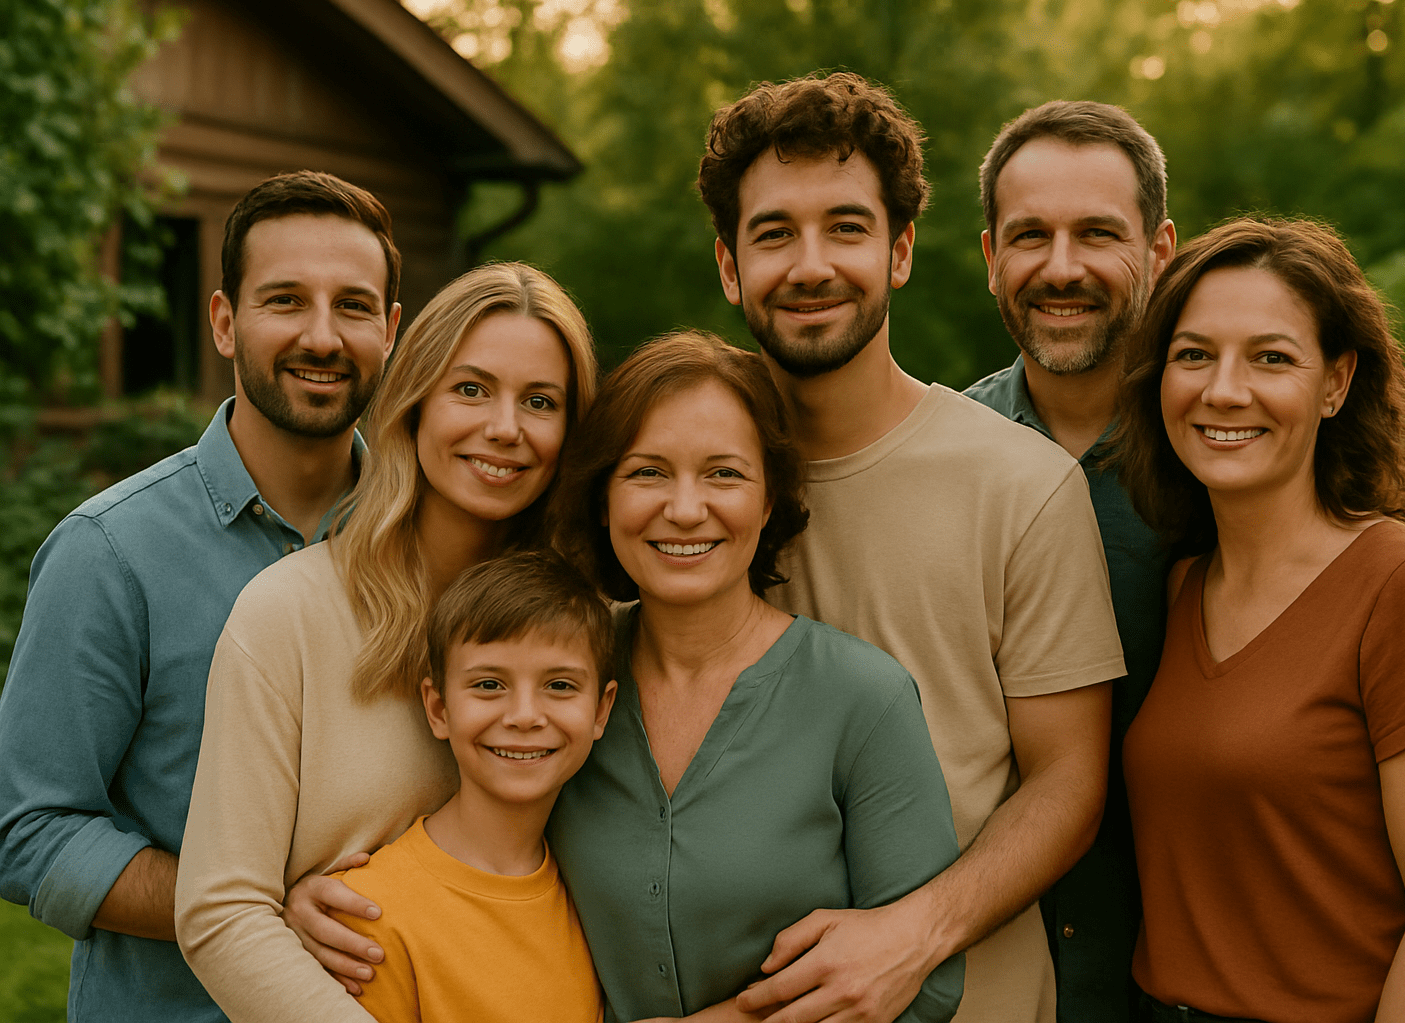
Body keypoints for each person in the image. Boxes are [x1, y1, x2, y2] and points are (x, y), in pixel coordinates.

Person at [698, 73, 1125, 1023]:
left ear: (899, 252)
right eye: (774, 234)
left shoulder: (1021, 483)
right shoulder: (678, 497)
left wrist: (914, 933)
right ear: (729, 266)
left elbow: (1067, 783)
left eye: (846, 228)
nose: (811, 265)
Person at [0, 170, 401, 1022]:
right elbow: (29, 829)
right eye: (285, 300)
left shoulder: (423, 546)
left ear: (391, 330)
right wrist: (253, 911)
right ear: (224, 321)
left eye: (353, 306)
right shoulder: (109, 552)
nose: (322, 336)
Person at [174, 260, 599, 1023]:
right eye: (471, 389)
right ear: (416, 403)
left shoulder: (592, 629)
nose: (505, 427)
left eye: (541, 401)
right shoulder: (288, 615)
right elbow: (222, 912)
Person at [1113, 217, 1405, 1023]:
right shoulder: (1182, 584)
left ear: (1335, 383)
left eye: (1271, 357)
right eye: (1194, 355)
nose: (1224, 390)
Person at [547, 330, 964, 1022]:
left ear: (770, 500)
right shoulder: (558, 680)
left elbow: (927, 986)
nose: (685, 509)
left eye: (724, 474)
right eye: (647, 472)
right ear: (603, 498)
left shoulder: (864, 699)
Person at [962, 101, 1175, 1023]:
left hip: (1192, 977)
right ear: (990, 257)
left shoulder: (1226, 455)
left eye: (1097, 234)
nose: (1061, 268)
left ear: (1160, 249)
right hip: (990, 974)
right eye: (1029, 236)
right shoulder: (946, 457)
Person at [333, 552, 616, 1023]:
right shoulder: (367, 916)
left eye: (560, 686)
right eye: (488, 684)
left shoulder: (596, 898)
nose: (524, 716)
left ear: (601, 711)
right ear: (438, 709)